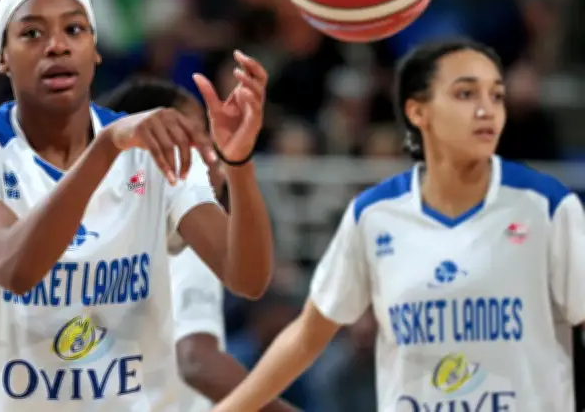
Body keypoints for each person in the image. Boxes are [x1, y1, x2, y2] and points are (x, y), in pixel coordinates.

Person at [0, 0, 275, 411]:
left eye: (74, 29)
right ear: (2, 57)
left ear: (95, 51)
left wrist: (239, 162)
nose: (57, 45)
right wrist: (106, 148)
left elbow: (247, 277)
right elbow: (14, 268)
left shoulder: (151, 148)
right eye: (31, 33)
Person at [213, 38, 585, 412]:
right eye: (466, 94)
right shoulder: (374, 215)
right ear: (418, 111)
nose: (486, 109)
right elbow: (307, 337)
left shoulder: (547, 206)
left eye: (497, 96)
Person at [99, 77, 298, 412]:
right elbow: (197, 361)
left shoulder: (100, 225)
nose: (211, 149)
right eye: (194, 136)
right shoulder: (183, 237)